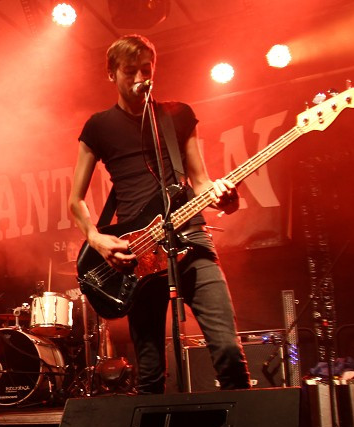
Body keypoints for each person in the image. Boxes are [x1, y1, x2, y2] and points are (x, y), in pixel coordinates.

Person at [67, 34, 250, 394]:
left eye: (146, 71)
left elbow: (200, 182)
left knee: (228, 350)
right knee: (150, 371)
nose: (139, 80)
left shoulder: (177, 116)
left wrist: (223, 197)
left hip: (191, 237)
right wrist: (96, 237)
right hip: (138, 251)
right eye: (129, 72)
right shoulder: (98, 126)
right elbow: (75, 200)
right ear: (111, 74)